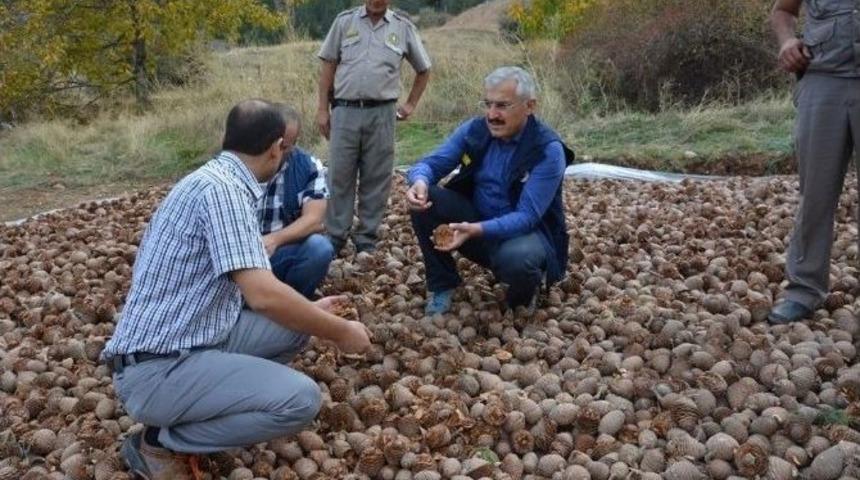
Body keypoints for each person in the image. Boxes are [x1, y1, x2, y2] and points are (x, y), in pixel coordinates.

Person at [102, 100, 371, 480]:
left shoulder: (213, 179)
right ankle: (162, 441)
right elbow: (262, 294)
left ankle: (217, 402)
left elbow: (261, 290)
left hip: (187, 340)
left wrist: (315, 313)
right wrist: (342, 332)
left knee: (298, 326)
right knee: (301, 401)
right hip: (158, 370)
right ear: (277, 147)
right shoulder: (225, 193)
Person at [406, 66, 574, 315]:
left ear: (530, 106)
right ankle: (442, 285)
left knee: (520, 260)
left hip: (524, 235)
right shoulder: (475, 130)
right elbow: (430, 163)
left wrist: (475, 230)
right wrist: (418, 181)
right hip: (475, 224)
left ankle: (524, 294)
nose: (492, 115)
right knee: (425, 198)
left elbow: (527, 216)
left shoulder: (547, 150)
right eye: (488, 104)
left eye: (502, 106)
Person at [767, 0, 860, 324]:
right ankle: (803, 290)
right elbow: (783, 12)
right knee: (816, 194)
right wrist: (787, 41)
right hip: (823, 82)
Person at [317, 0, 432, 255]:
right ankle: (335, 236)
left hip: (382, 112)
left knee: (377, 176)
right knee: (339, 174)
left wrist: (411, 104)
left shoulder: (403, 27)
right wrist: (322, 109)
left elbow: (424, 69)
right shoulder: (344, 21)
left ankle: (366, 237)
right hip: (344, 110)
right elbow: (328, 65)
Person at [259, 105, 333, 298]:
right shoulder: (240, 162)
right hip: (235, 256)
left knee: (319, 248)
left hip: (279, 251)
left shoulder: (308, 166)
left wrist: (275, 240)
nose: (277, 153)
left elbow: (314, 220)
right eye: (274, 144)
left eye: (285, 146)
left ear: (295, 143)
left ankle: (293, 304)